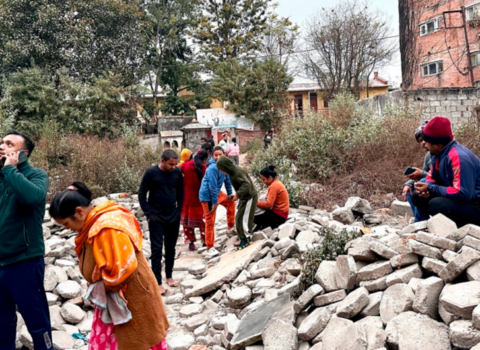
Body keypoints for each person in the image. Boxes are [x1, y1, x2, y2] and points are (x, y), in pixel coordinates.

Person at [49, 183, 169, 350]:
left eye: (67, 224)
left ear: (79, 212)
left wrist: (97, 289)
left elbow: (122, 269)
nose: (68, 229)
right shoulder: (93, 223)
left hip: (131, 297)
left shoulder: (106, 228)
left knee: (135, 341)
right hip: (114, 298)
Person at [0, 130, 52, 350]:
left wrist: (11, 170)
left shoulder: (37, 176)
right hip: (0, 264)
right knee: (2, 325)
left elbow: (32, 197)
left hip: (25, 262)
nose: (2, 145)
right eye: (1, 142)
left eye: (8, 144)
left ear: (23, 153)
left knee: (38, 324)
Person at [411, 116, 480, 227]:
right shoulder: (436, 154)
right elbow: (431, 178)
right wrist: (426, 188)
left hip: (475, 204)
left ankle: (464, 230)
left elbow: (463, 193)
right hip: (461, 201)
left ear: (437, 144)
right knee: (417, 197)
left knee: (437, 205)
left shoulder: (459, 157)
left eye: (427, 142)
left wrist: (431, 188)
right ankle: (424, 225)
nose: (425, 145)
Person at [139, 149, 184, 294]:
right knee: (156, 250)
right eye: (171, 164)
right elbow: (141, 194)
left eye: (175, 164)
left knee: (171, 248)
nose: (173, 167)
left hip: (172, 215)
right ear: (163, 161)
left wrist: (179, 211)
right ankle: (157, 282)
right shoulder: (151, 173)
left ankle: (169, 276)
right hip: (156, 217)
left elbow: (181, 192)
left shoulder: (177, 173)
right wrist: (148, 212)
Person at [199, 146, 236, 256]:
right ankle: (210, 246)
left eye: (220, 155)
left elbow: (227, 181)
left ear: (224, 155)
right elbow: (212, 186)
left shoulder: (224, 166)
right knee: (210, 220)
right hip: (207, 196)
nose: (218, 157)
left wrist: (229, 194)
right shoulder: (212, 168)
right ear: (212, 156)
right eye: (216, 155)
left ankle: (230, 227)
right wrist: (214, 203)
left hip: (216, 193)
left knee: (231, 202)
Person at [217, 156, 258, 250]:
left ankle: (247, 238)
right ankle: (242, 237)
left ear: (225, 167)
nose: (221, 171)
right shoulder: (232, 172)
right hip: (244, 197)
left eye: (221, 169)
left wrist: (238, 195)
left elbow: (246, 184)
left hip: (249, 197)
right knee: (238, 217)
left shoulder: (237, 172)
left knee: (244, 218)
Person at [179, 150, 209, 251]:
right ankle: (205, 241)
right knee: (202, 222)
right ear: (204, 160)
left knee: (187, 223)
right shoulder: (204, 168)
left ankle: (191, 243)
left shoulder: (184, 166)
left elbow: (176, 174)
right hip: (200, 200)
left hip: (186, 199)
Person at [402, 122, 432, 222]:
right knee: (410, 189)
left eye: (424, 138)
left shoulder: (446, 153)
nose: (423, 142)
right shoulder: (428, 156)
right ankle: (421, 222)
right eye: (420, 140)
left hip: (444, 189)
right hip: (432, 186)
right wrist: (408, 184)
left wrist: (422, 175)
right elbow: (425, 172)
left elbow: (443, 177)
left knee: (421, 183)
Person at [254, 165, 290, 231]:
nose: (263, 182)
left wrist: (255, 202)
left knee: (252, 217)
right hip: (281, 214)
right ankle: (259, 228)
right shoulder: (276, 183)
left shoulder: (274, 186)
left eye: (263, 180)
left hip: (279, 217)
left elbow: (268, 205)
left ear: (270, 178)